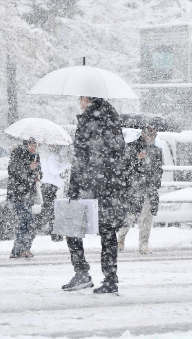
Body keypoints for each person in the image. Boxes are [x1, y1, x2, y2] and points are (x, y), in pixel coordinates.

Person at [63, 96, 127, 295]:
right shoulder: (113, 121)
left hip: (89, 183)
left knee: (72, 227)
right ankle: (110, 279)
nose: (79, 101)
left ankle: (82, 272)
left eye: (81, 97)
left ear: (89, 99)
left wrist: (75, 186)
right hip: (109, 186)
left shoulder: (88, 122)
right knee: (107, 234)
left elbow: (82, 157)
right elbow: (117, 154)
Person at [118, 126, 163, 254]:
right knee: (130, 216)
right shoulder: (132, 147)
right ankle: (120, 239)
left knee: (146, 218)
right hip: (135, 188)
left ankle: (144, 245)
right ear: (143, 133)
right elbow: (124, 167)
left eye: (154, 134)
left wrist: (155, 184)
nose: (152, 137)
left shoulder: (157, 150)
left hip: (150, 188)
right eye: (149, 134)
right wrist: (137, 159)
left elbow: (159, 169)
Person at [7, 138, 42, 259]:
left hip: (28, 196)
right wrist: (30, 169)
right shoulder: (18, 154)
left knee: (27, 223)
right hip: (18, 196)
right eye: (34, 145)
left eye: (37, 145)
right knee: (27, 223)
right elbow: (15, 173)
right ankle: (19, 250)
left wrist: (37, 174)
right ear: (28, 144)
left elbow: (38, 172)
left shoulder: (36, 156)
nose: (36, 147)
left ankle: (22, 249)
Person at [36, 145, 71, 241]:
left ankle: (45, 229)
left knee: (49, 210)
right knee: (54, 211)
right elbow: (55, 171)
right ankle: (55, 234)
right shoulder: (52, 155)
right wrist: (66, 163)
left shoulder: (42, 154)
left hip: (46, 184)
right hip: (51, 185)